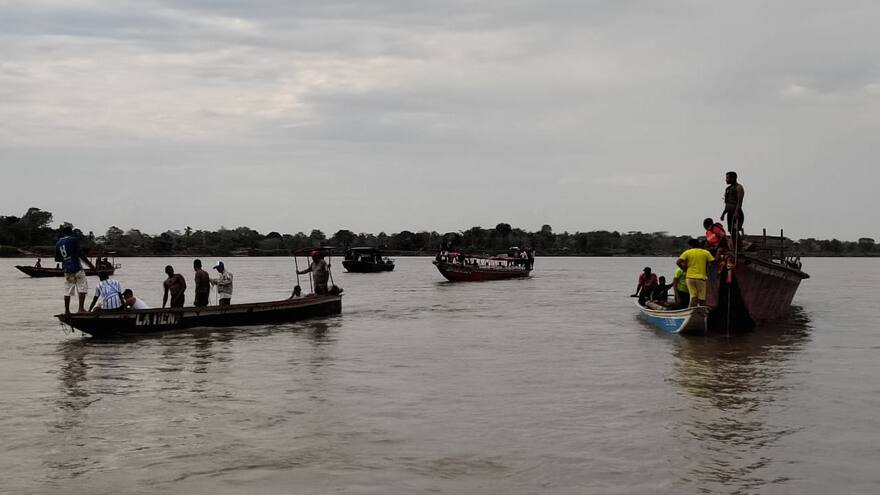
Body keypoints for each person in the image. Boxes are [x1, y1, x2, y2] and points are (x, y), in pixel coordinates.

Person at [55, 225, 93, 314]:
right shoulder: (73, 240)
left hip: (67, 269)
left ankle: (67, 311)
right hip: (77, 267)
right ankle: (81, 309)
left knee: (68, 289)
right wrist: (91, 266)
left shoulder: (58, 243)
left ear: (63, 233)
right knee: (82, 287)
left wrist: (66, 258)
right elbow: (80, 254)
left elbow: (58, 259)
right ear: (71, 232)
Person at [677, 238, 716, 307]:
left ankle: (690, 312)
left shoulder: (687, 252)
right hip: (701, 278)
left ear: (691, 245)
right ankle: (701, 313)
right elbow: (713, 262)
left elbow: (678, 262)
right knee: (702, 299)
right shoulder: (705, 252)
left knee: (693, 297)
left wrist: (685, 269)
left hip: (689, 278)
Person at [720, 171, 745, 241]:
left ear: (733, 178)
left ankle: (739, 246)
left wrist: (737, 212)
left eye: (727, 178)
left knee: (735, 230)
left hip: (736, 213)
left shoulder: (739, 187)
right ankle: (737, 246)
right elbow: (727, 204)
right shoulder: (728, 189)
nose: (726, 180)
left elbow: (740, 201)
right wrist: (723, 214)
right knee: (731, 231)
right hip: (729, 213)